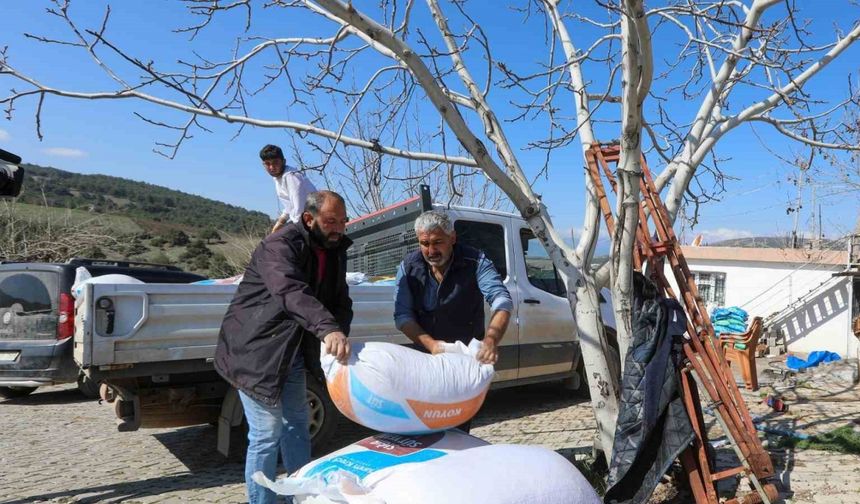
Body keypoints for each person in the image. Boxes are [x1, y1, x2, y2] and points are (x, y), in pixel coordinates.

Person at [214, 190, 352, 504]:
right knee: (266, 434)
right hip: (256, 351)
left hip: (291, 353)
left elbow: (340, 300)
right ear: (309, 218)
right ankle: (261, 500)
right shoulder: (278, 246)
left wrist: (339, 334)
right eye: (331, 221)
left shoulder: (335, 249)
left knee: (298, 427)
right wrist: (326, 328)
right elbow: (290, 290)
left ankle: (300, 497)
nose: (339, 229)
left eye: (343, 222)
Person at [393, 210, 512, 432]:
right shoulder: (408, 266)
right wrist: (432, 346)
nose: (431, 250)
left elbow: (502, 301)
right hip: (425, 358)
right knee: (422, 425)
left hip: (462, 361)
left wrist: (491, 340)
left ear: (453, 238)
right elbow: (402, 316)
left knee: (457, 426)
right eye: (424, 243)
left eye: (438, 242)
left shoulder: (475, 261)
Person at [260, 144, 317, 234]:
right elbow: (290, 205)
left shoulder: (291, 176)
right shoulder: (278, 178)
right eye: (267, 164)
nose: (271, 167)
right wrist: (281, 221)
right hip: (304, 220)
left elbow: (299, 209)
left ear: (284, 162)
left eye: (275, 162)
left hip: (311, 221)